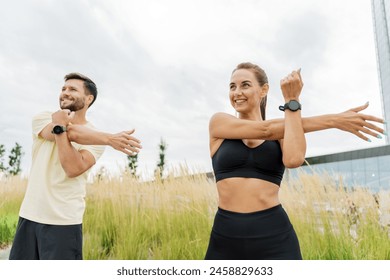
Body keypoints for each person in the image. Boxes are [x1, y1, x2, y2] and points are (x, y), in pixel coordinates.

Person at [205, 62, 384, 260]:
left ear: (263, 90)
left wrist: (292, 100)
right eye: (232, 86)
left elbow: (294, 160)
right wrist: (334, 120)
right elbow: (266, 130)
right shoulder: (219, 123)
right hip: (226, 236)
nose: (237, 92)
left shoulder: (286, 130)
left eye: (245, 85)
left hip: (274, 234)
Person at [9, 72, 142, 260]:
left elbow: (71, 168)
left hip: (64, 222)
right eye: (63, 88)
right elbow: (69, 132)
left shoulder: (94, 138)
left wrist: (60, 127)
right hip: (29, 217)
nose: (65, 92)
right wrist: (109, 138)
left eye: (72, 89)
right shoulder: (43, 118)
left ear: (89, 98)